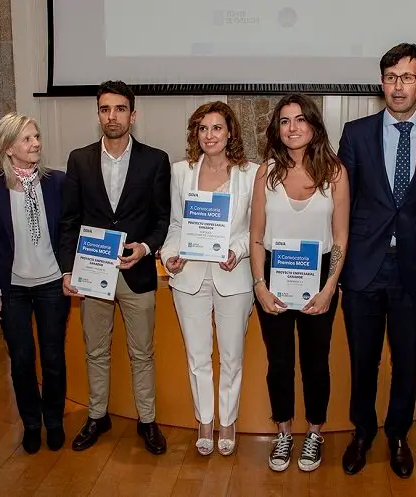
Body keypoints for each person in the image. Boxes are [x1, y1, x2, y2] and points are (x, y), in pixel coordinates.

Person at [337, 43, 416, 478]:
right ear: (381, 83)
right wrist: (340, 265)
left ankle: (398, 434)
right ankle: (362, 431)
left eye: (406, 77)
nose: (398, 86)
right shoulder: (355, 132)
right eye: (390, 78)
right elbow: (342, 206)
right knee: (362, 358)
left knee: (407, 358)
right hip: (364, 267)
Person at [59, 80, 171, 455]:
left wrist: (145, 247)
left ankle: (147, 421)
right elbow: (69, 221)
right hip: (93, 274)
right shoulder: (79, 159)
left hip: (137, 273)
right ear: (98, 115)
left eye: (120, 109)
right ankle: (97, 415)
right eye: (105, 109)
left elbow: (162, 219)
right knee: (96, 351)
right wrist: (68, 269)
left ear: (132, 115)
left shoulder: (155, 160)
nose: (112, 116)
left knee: (142, 353)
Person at [250, 94, 349, 472]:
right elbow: (256, 235)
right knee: (279, 362)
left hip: (320, 275)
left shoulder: (336, 172)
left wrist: (329, 287)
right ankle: (284, 433)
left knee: (315, 362)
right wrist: (259, 285)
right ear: (277, 129)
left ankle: (314, 433)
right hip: (274, 273)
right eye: (285, 121)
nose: (292, 127)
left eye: (300, 120)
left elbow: (340, 237)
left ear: (314, 125)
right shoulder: (266, 172)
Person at [160, 102, 258, 456]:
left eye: (217, 128)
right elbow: (175, 224)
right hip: (189, 278)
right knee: (197, 356)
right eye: (203, 129)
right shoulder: (180, 172)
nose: (210, 135)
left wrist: (237, 250)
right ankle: (204, 419)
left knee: (232, 357)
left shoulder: (252, 173)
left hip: (233, 277)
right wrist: (169, 253)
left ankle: (227, 421)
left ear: (230, 132)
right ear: (195, 134)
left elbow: (255, 230)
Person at [0, 112, 70, 454]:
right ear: (8, 147)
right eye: (28, 139)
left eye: (37, 137)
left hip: (51, 285)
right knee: (20, 358)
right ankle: (32, 423)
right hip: (12, 287)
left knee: (53, 357)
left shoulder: (57, 182)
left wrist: (69, 270)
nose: (36, 144)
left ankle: (55, 421)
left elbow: (67, 232)